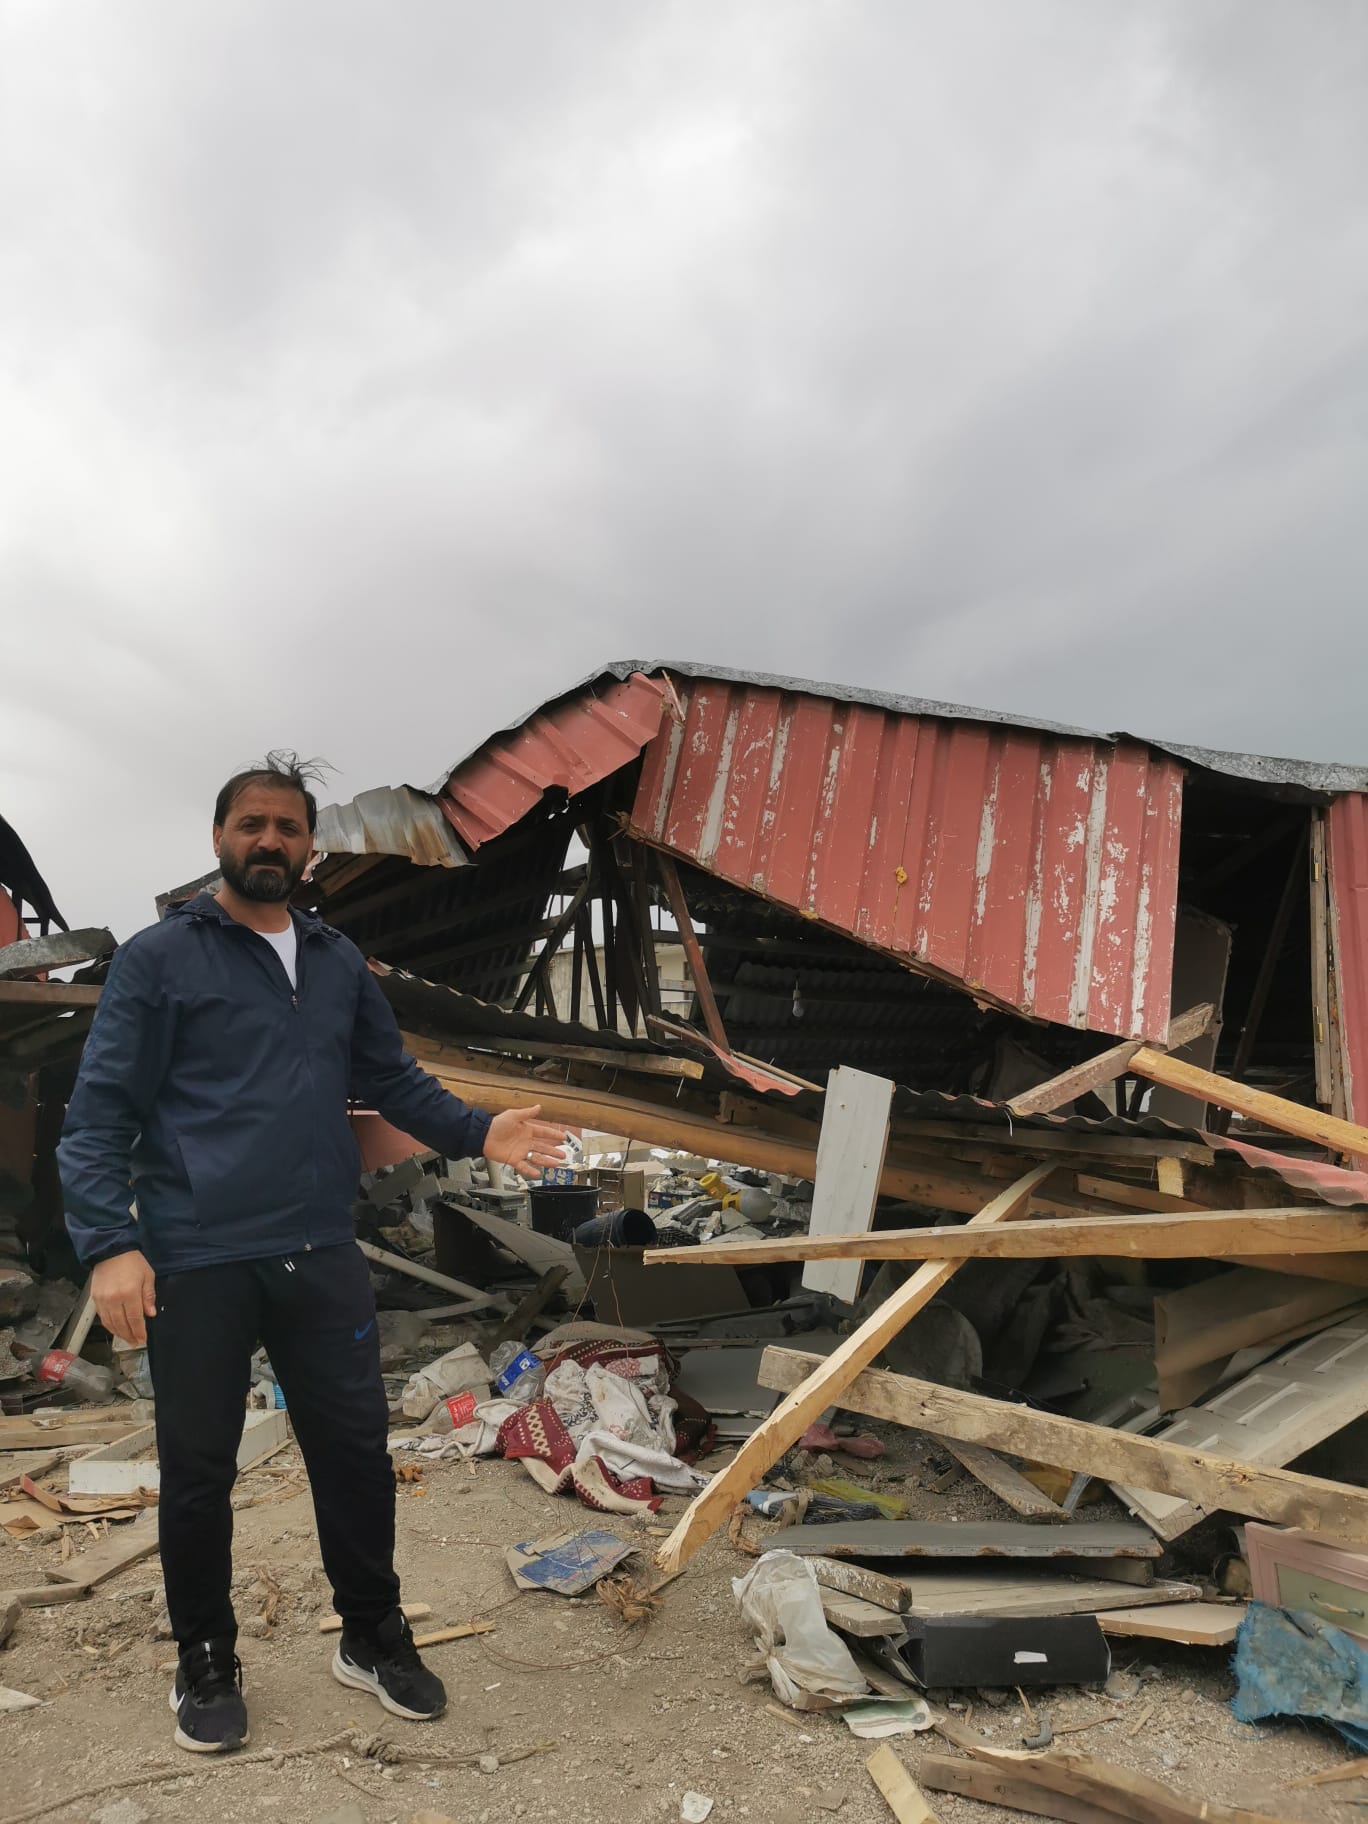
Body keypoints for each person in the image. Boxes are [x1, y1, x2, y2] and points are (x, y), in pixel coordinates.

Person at [57, 752, 569, 1755]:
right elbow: (99, 1111)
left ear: (310, 849)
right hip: (198, 1253)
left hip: (319, 1247)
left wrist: (480, 1130)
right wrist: (112, 1245)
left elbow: (393, 1081)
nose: (269, 840)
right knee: (198, 1470)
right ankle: (206, 1657)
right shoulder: (161, 959)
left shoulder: (336, 961)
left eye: (288, 827)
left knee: (354, 1454)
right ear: (218, 837)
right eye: (251, 824)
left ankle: (371, 1636)